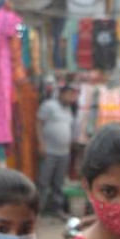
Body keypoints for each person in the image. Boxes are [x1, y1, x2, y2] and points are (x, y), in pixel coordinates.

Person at [37, 85, 77, 218]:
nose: (72, 98)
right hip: (49, 151)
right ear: (61, 93)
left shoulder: (69, 109)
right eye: (69, 94)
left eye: (73, 95)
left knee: (59, 183)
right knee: (43, 182)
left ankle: (57, 209)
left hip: (64, 153)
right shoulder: (49, 105)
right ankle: (38, 210)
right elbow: (38, 123)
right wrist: (41, 143)